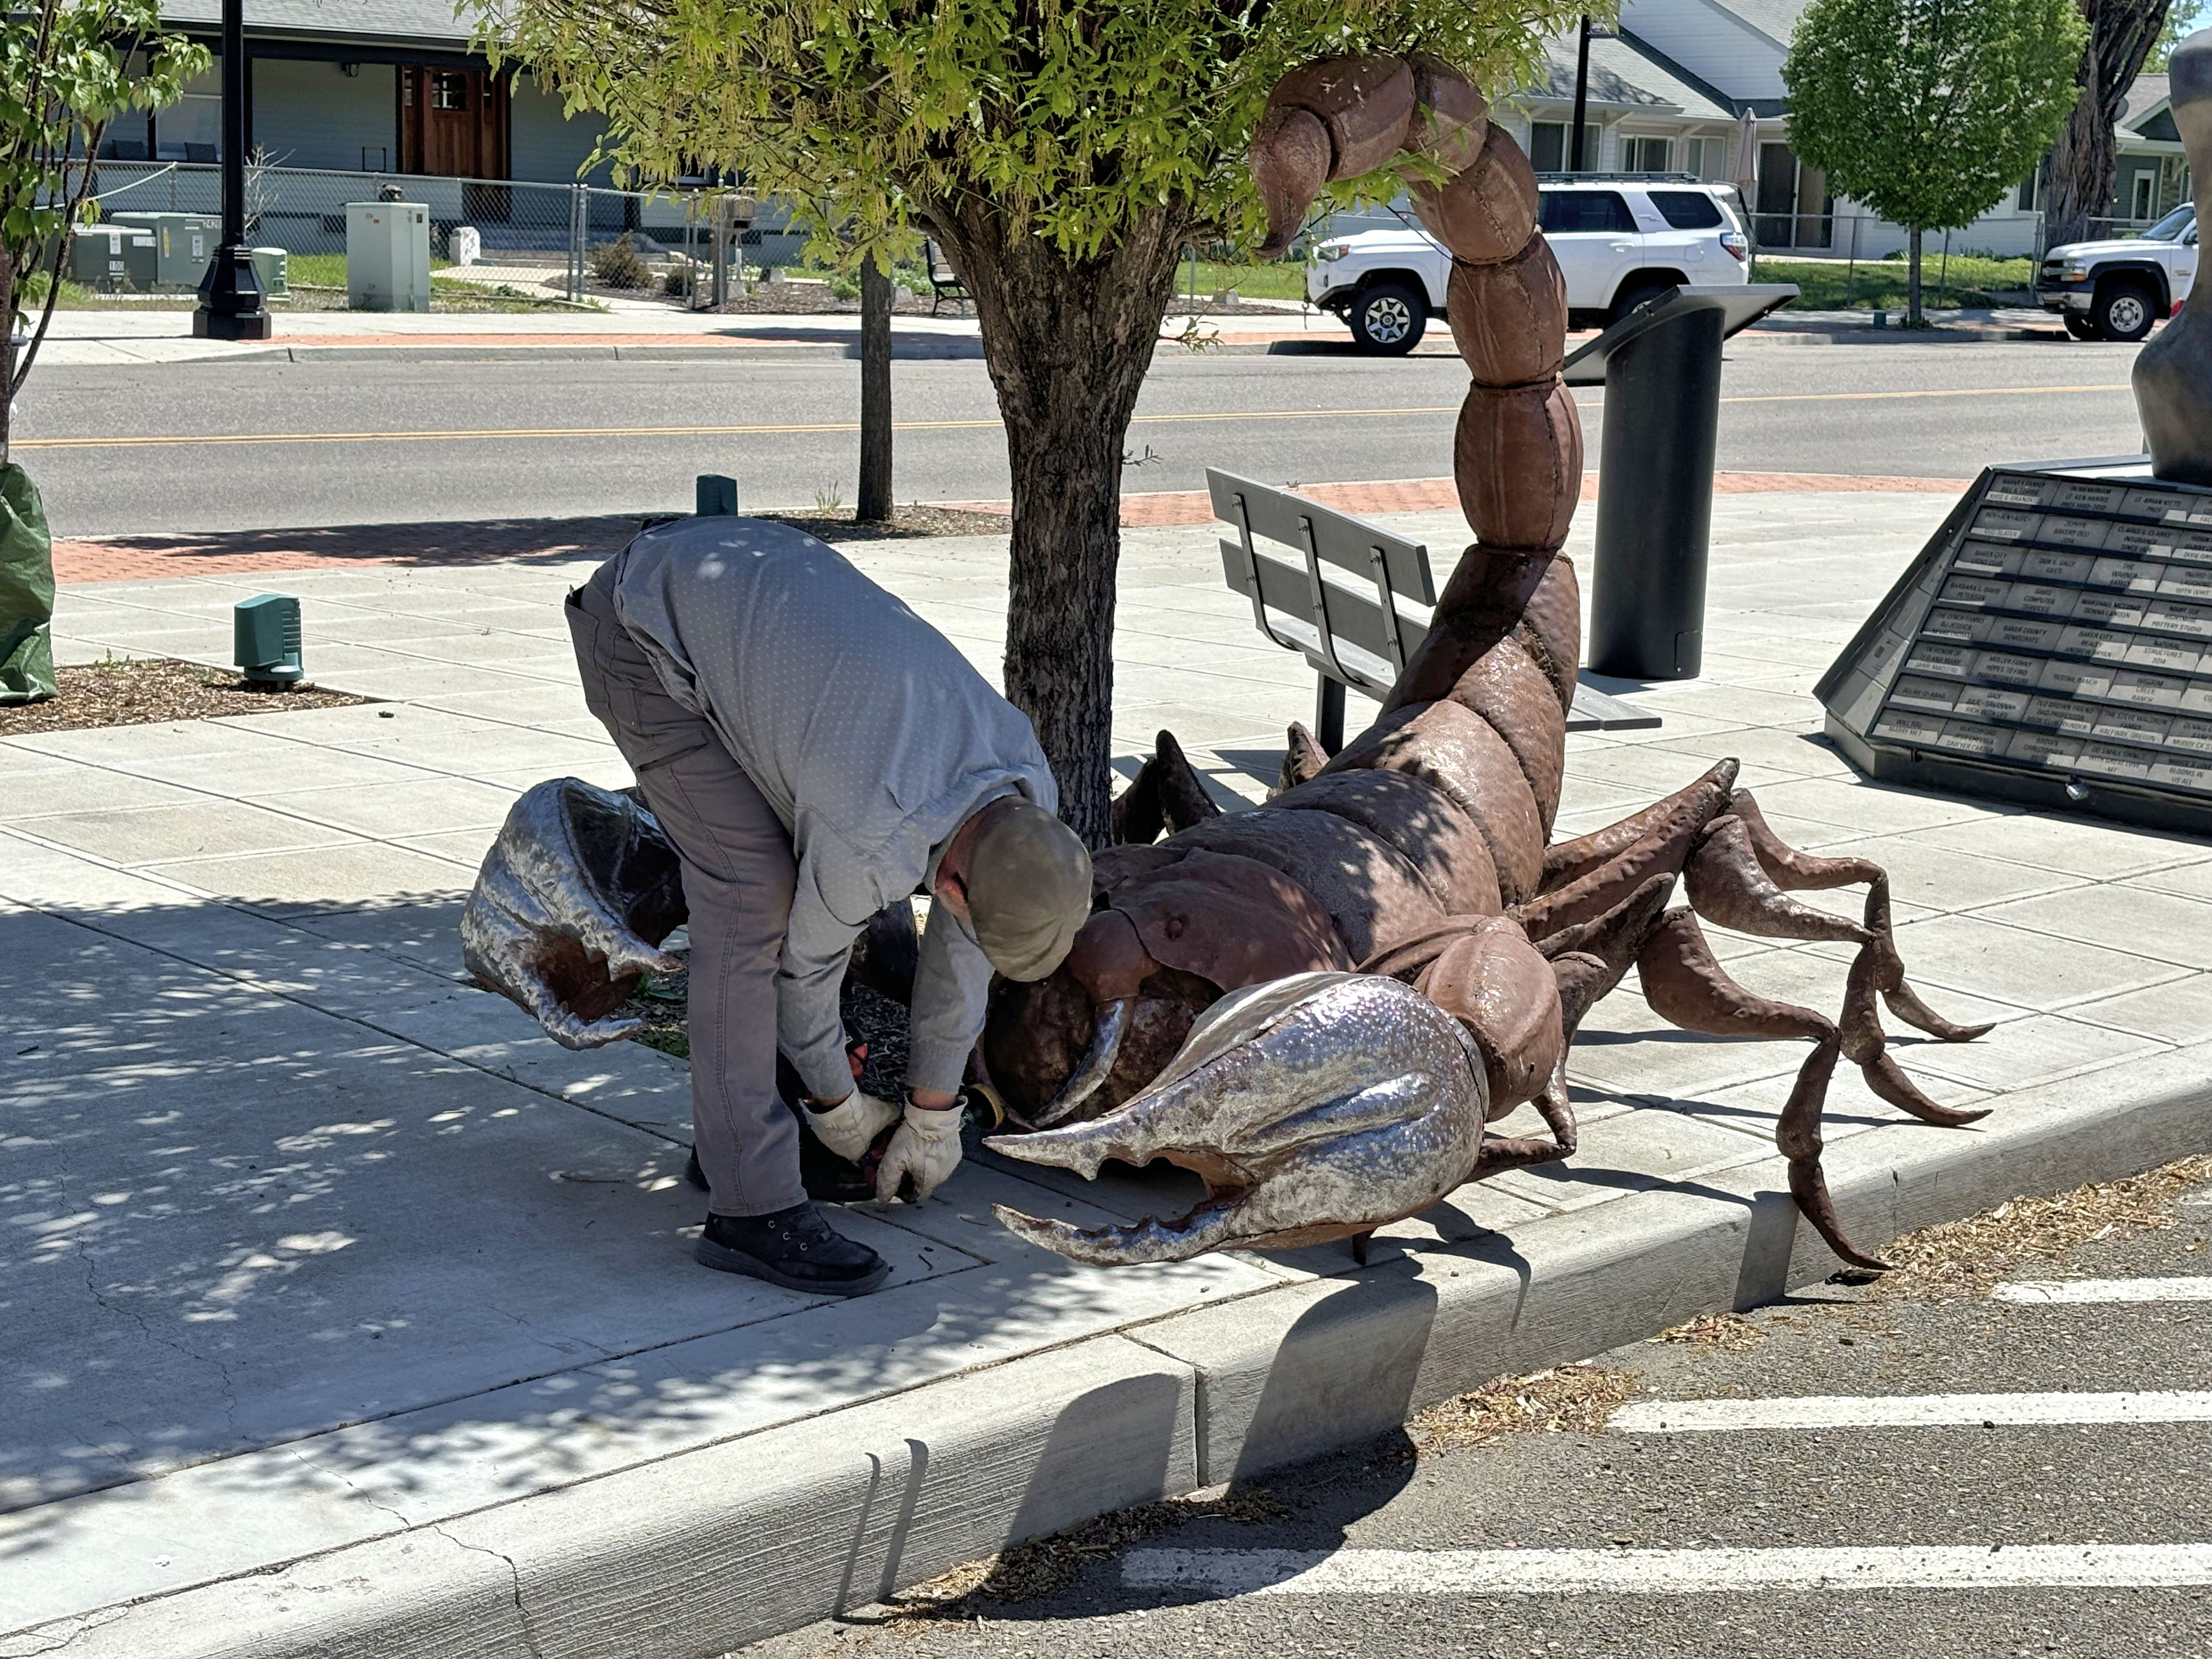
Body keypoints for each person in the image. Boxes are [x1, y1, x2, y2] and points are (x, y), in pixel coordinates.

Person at [565, 517, 1093, 1297]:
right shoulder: (871, 834)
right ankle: (751, 1207)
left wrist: (933, 1114)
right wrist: (837, 1107)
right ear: (951, 891)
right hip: (642, 631)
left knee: (790, 884)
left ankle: (737, 1138)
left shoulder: (1023, 791)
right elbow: (802, 973)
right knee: (751, 903)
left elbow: (962, 955)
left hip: (748, 597)